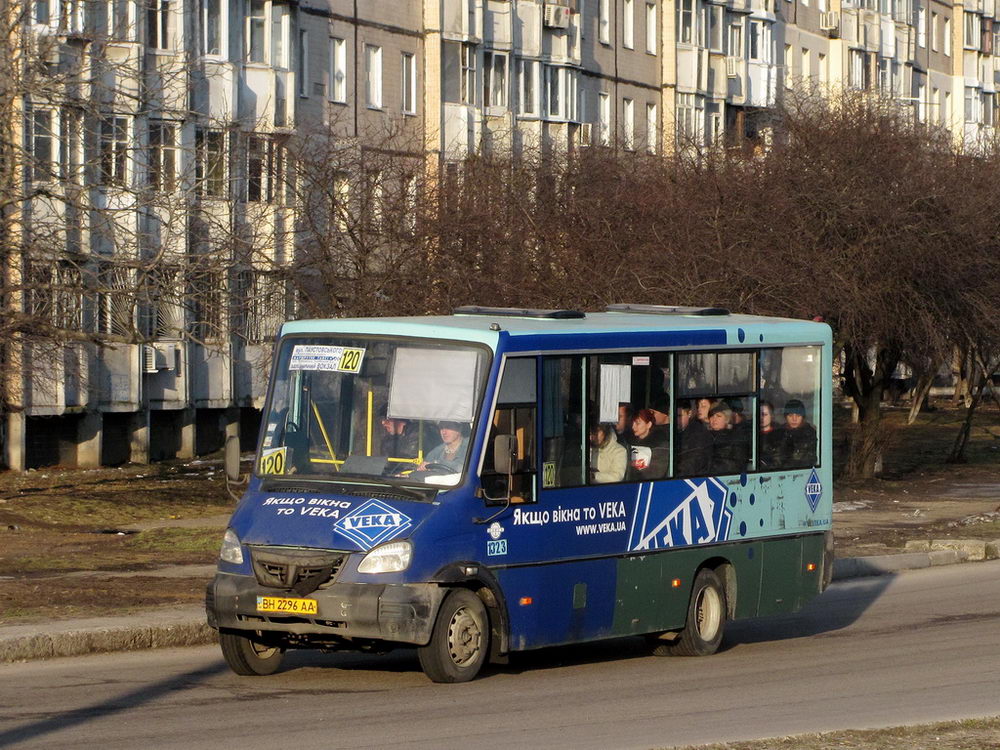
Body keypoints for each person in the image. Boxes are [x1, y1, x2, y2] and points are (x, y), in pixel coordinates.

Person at [627, 409, 669, 481]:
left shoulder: (660, 445)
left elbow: (655, 473)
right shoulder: (628, 442)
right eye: (632, 423)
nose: (633, 427)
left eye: (637, 423)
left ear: (649, 424)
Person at [675, 399, 713, 476]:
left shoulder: (698, 434)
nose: (675, 420)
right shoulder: (673, 431)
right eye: (672, 415)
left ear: (689, 414)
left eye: (679, 416)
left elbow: (691, 464)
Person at [707, 402, 745, 475]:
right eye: (712, 416)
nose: (714, 419)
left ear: (726, 419)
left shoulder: (735, 437)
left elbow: (736, 464)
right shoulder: (703, 436)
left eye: (718, 416)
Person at [779, 399, 817, 467]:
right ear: (785, 417)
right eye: (790, 416)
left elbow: (809, 459)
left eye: (798, 415)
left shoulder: (809, 433)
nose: (794, 419)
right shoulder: (779, 432)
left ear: (803, 417)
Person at [758, 400, 783, 469]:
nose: (761, 418)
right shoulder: (750, 434)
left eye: (765, 414)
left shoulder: (780, 435)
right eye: (758, 414)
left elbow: (779, 461)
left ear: (771, 416)